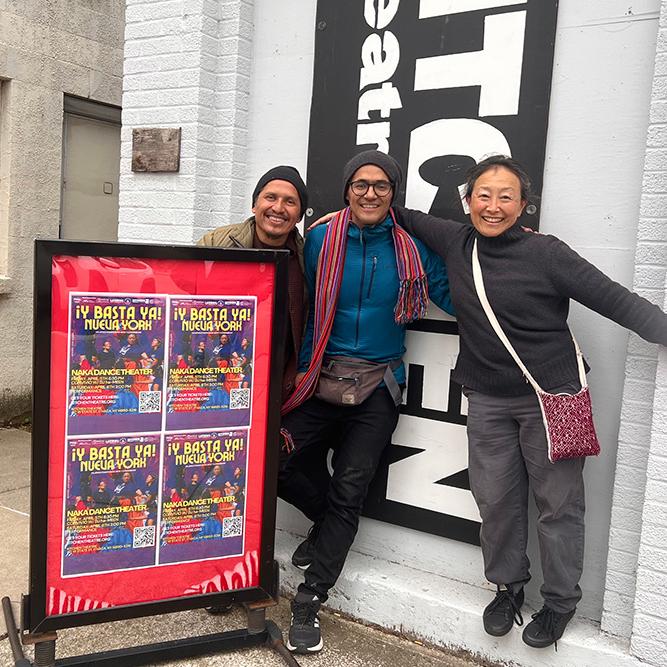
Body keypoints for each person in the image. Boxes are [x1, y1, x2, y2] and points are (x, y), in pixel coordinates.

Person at [314, 154, 667, 648]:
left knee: (558, 505)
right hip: (486, 400)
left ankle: (561, 601)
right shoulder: (458, 242)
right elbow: (395, 212)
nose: (493, 206)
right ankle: (508, 587)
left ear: (524, 205)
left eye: (506, 197)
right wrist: (341, 212)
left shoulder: (548, 254)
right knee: (495, 500)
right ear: (467, 201)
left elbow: (615, 300)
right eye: (483, 195)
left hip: (554, 397)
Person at [279, 150, 454, 654]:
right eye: (360, 184)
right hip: (318, 375)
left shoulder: (412, 249)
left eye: (381, 185)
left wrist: (511, 271)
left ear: (393, 192)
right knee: (274, 461)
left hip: (378, 385)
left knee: (351, 489)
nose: (370, 193)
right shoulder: (318, 238)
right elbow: (282, 280)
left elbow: (454, 292)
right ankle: (325, 523)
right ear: (347, 190)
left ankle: (312, 597)